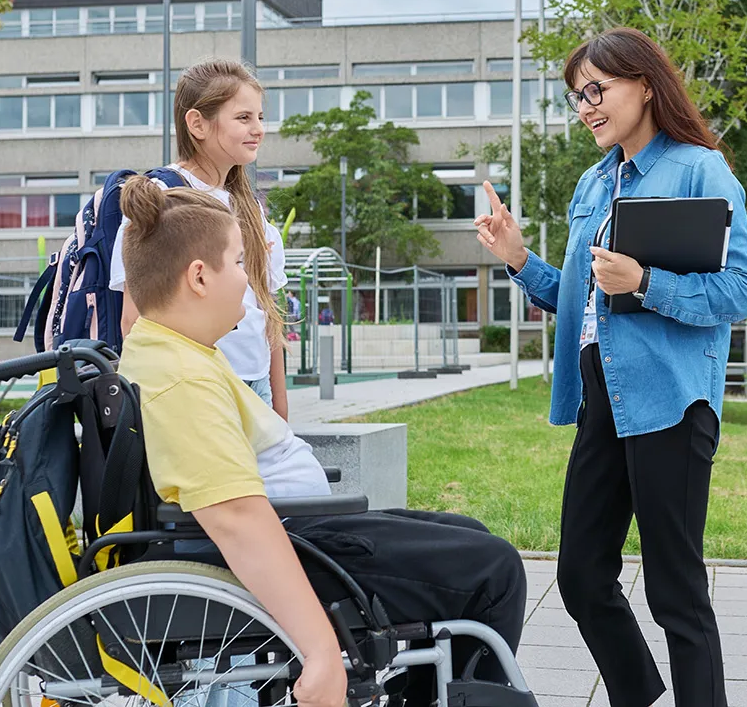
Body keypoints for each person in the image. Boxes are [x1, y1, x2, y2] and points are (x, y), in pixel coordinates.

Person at [114, 176, 527, 707]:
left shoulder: (173, 350)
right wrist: (321, 652)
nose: (248, 279)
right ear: (199, 277)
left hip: (297, 531)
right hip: (289, 542)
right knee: (493, 569)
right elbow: (236, 520)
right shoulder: (182, 376)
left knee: (468, 535)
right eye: (239, 263)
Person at [475, 28, 747, 707]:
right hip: (601, 396)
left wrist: (646, 281)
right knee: (579, 574)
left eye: (598, 91)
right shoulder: (593, 182)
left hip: (671, 397)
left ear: (643, 83)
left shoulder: (698, 169)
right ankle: (639, 694)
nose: (587, 107)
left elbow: (745, 293)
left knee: (675, 591)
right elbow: (580, 298)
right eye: (578, 97)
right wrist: (520, 259)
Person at [110, 58, 289, 420]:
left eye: (259, 117)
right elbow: (133, 320)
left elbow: (267, 317)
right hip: (192, 386)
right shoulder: (161, 197)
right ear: (197, 124)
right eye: (243, 118)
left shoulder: (251, 208)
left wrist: (280, 410)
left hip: (255, 387)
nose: (258, 129)